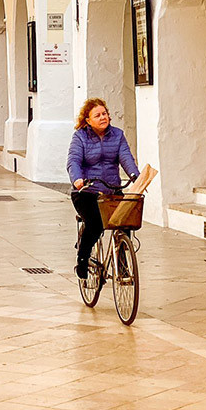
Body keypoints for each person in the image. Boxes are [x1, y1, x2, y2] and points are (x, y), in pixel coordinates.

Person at [67, 98, 139, 280]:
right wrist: (77, 179)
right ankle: (82, 259)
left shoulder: (117, 135)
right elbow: (73, 161)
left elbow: (126, 158)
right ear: (88, 120)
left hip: (111, 190)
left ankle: (122, 267)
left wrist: (135, 176)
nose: (102, 118)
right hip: (86, 191)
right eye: (97, 115)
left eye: (104, 114)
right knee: (95, 223)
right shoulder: (80, 136)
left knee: (124, 223)